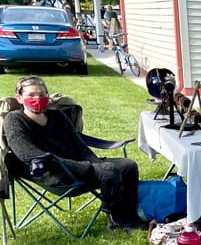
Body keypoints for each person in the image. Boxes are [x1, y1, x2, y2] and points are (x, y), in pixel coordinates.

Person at [4, 75, 144, 231]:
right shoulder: (14, 120)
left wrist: (96, 163)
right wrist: (86, 167)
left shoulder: (57, 116)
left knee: (128, 165)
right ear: (20, 98)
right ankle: (118, 222)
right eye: (31, 95)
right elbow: (26, 153)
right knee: (108, 173)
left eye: (42, 94)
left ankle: (131, 216)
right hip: (52, 173)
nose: (37, 98)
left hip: (76, 165)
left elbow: (78, 144)